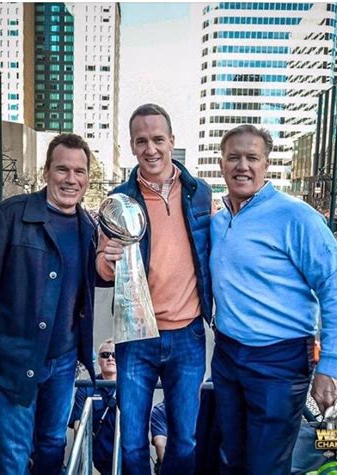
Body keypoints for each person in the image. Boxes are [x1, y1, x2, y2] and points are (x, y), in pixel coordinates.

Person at [210, 124, 337, 474]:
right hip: (228, 355)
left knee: (266, 465)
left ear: (266, 165)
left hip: (280, 361)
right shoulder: (218, 220)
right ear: (221, 164)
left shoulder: (297, 216)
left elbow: (336, 291)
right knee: (230, 456)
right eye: (234, 157)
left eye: (252, 158)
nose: (242, 165)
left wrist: (331, 367)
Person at [0, 133, 98, 475]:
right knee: (12, 457)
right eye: (62, 169)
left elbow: (92, 284)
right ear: (46, 172)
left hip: (63, 363)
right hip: (12, 361)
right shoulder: (9, 216)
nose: (71, 179)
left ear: (87, 177)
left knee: (53, 444)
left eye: (79, 171)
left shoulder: (88, 227)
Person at [96, 103, 213, 474]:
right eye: (141, 140)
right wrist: (108, 259)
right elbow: (101, 269)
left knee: (185, 439)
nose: (151, 149)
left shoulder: (200, 192)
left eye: (158, 139)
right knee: (131, 441)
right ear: (132, 145)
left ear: (172, 141)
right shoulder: (117, 199)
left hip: (188, 335)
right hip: (135, 337)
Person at [69, 338, 117, 475]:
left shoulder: (130, 387)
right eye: (105, 355)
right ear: (99, 360)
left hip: (125, 456)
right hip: (96, 460)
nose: (110, 358)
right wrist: (87, 462)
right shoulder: (87, 387)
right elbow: (78, 425)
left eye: (115, 355)